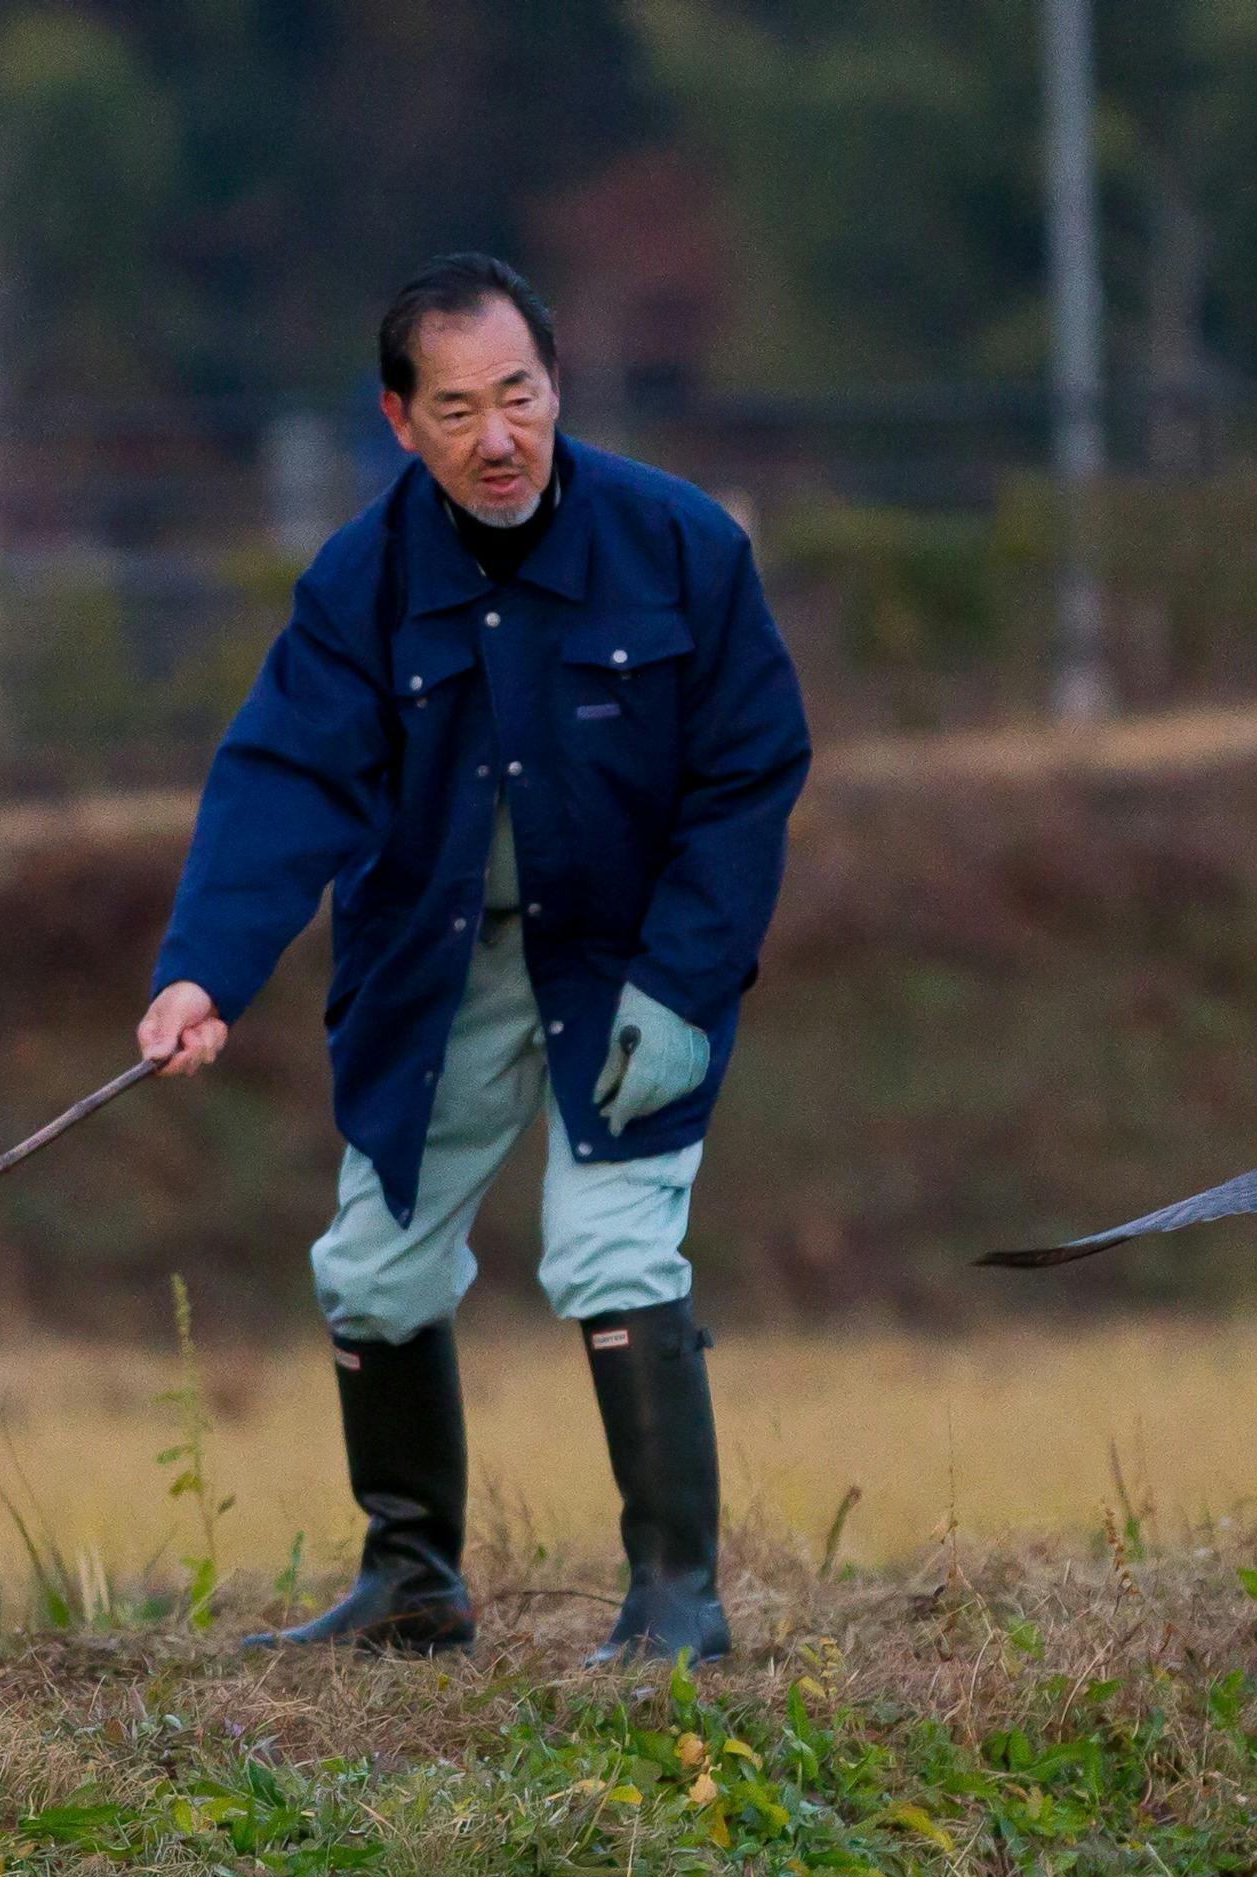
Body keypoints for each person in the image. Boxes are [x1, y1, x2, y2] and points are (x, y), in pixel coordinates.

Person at [136, 253, 809, 1663]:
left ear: (557, 385)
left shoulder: (682, 547)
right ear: (398, 421)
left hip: (628, 967)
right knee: (369, 1269)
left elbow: (748, 776)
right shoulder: (360, 585)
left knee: (610, 1246)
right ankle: (413, 1584)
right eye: (455, 410)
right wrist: (204, 972)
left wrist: (686, 984)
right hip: (436, 969)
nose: (496, 438)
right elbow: (281, 782)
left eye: (519, 396)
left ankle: (677, 1600)